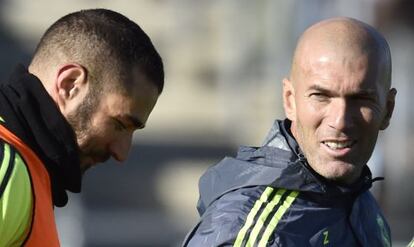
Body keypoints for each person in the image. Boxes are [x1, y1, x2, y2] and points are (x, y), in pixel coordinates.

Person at [183, 17, 395, 247]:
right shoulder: (249, 231)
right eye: (321, 96)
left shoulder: (358, 199)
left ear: (388, 109)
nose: (340, 121)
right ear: (290, 100)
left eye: (361, 99)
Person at [0, 9, 163, 246]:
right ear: (70, 85)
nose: (122, 152)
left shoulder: (27, 169)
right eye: (119, 124)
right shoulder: (9, 168)